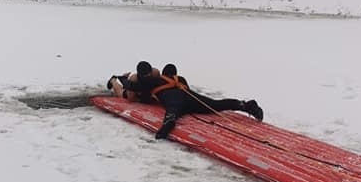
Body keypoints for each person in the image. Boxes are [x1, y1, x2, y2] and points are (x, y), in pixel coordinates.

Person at [109, 60, 263, 139]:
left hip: (174, 99)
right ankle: (245, 105)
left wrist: (121, 78)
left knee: (173, 111)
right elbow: (185, 89)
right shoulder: (179, 78)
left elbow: (131, 85)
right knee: (215, 104)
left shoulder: (152, 81)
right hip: (191, 97)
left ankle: (167, 125)